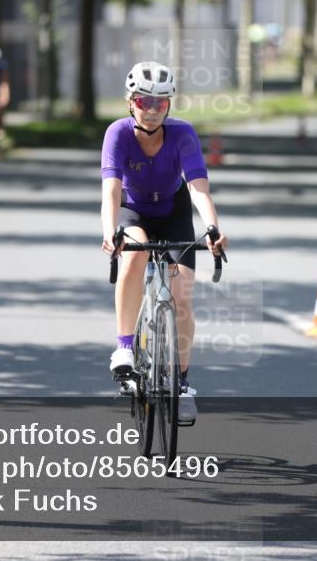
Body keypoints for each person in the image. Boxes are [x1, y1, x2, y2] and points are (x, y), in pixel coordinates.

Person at [100, 61, 229, 424]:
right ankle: (125, 348)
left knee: (182, 293)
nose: (153, 110)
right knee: (135, 257)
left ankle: (183, 382)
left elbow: (198, 188)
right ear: (130, 102)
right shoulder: (118, 133)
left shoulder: (183, 134)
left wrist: (213, 227)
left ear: (170, 105)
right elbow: (110, 191)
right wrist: (110, 231)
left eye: (161, 103)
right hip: (133, 211)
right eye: (144, 102)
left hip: (174, 211)